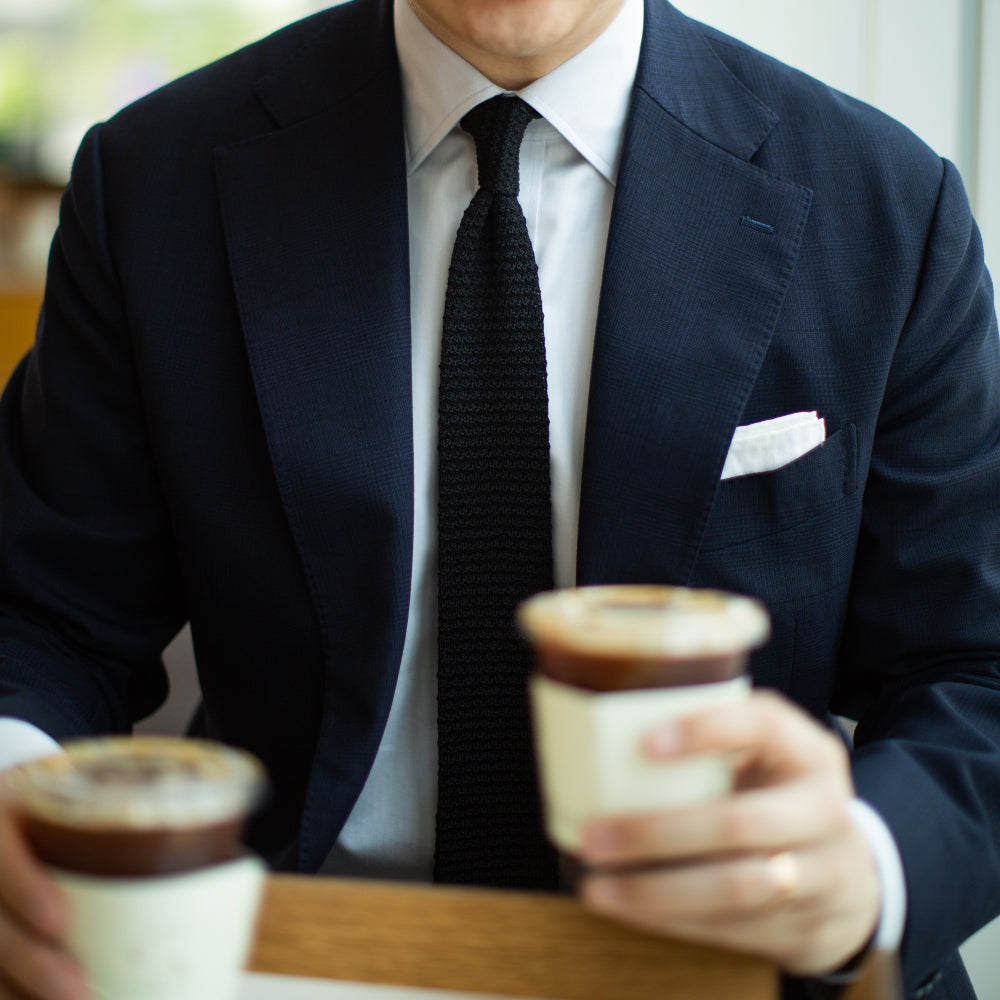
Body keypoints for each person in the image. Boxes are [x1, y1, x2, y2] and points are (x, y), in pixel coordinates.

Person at [0, 0, 997, 997]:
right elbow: (44, 613)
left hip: (735, 967)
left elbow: (976, 671)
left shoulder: (888, 208)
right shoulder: (150, 181)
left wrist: (864, 867)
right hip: (279, 951)